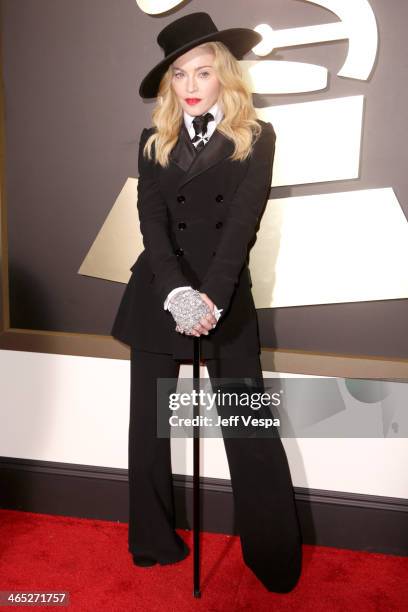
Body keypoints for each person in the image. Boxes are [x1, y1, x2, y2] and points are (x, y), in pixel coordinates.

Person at [111, 12, 302, 593]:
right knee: (149, 427)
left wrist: (209, 300)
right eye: (179, 75)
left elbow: (242, 224)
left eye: (203, 71)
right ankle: (151, 541)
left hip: (224, 299)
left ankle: (272, 555)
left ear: (225, 76)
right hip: (157, 295)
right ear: (169, 84)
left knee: (247, 425)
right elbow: (152, 223)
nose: (191, 85)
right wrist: (176, 293)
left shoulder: (257, 137)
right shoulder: (153, 142)